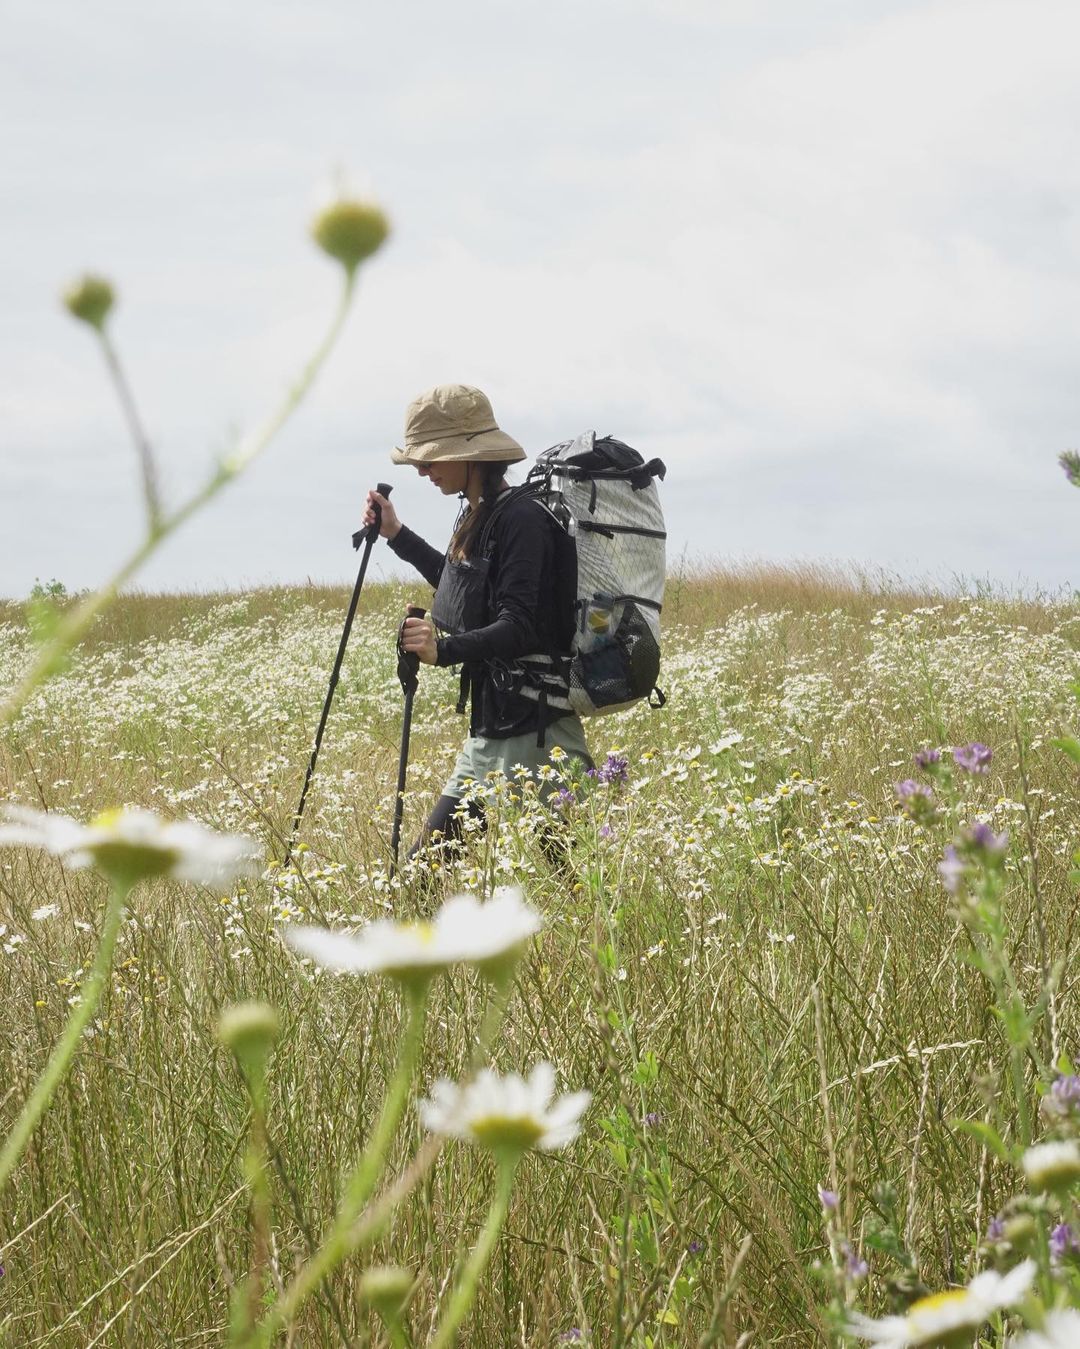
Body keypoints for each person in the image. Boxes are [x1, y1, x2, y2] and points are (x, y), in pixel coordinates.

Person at [362, 383, 593, 857]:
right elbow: (458, 588)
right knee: (565, 878)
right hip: (498, 729)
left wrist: (441, 651)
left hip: (532, 731)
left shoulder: (520, 520)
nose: (423, 470)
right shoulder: (481, 514)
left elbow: (520, 625)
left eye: (431, 458)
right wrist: (396, 533)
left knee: (561, 880)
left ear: (473, 455)